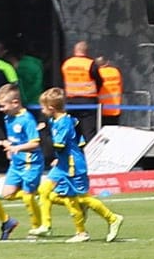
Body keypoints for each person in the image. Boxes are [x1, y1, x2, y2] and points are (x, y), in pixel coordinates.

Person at [32, 87, 124, 242]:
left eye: (43, 107)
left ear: (51, 108)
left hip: (73, 165)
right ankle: (46, 226)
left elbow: (58, 145)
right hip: (62, 164)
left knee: (76, 199)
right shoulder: (56, 120)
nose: (41, 110)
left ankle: (111, 218)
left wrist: (42, 132)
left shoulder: (64, 123)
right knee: (44, 190)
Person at [0, 84, 42, 237]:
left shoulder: (27, 119)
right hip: (16, 163)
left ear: (15, 102)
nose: (1, 110)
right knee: (7, 194)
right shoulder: (9, 117)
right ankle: (38, 192)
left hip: (30, 162)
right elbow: (14, 139)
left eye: (3, 106)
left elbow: (35, 143)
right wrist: (8, 146)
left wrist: (17, 148)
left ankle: (38, 226)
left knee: (27, 196)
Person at [60, 41, 98, 142]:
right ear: (86, 51)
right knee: (89, 132)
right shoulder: (90, 63)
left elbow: (62, 79)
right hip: (88, 102)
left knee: (71, 131)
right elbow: (99, 80)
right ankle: (91, 155)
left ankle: (71, 154)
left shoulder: (67, 63)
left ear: (75, 51)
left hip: (70, 101)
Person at [95, 56, 123, 129]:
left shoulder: (97, 73)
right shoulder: (115, 71)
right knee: (113, 132)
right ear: (107, 62)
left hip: (101, 109)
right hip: (115, 108)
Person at [13, 45, 44, 110]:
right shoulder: (39, 64)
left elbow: (17, 83)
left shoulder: (18, 66)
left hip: (21, 101)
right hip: (36, 101)